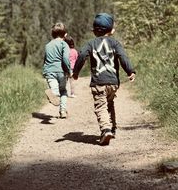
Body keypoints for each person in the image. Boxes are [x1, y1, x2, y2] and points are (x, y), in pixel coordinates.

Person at [73, 12, 136, 145]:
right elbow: (123, 57)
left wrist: (76, 72)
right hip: (113, 82)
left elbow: (81, 56)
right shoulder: (115, 43)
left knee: (101, 106)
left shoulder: (90, 44)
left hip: (98, 82)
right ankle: (112, 128)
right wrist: (130, 71)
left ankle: (105, 129)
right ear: (111, 31)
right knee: (110, 103)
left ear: (94, 31)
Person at [42, 22, 72, 119]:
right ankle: (63, 111)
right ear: (65, 34)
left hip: (49, 71)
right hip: (61, 71)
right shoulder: (64, 44)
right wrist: (69, 70)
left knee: (55, 89)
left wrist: (44, 71)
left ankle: (53, 93)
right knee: (63, 91)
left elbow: (45, 59)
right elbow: (66, 59)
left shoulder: (48, 45)